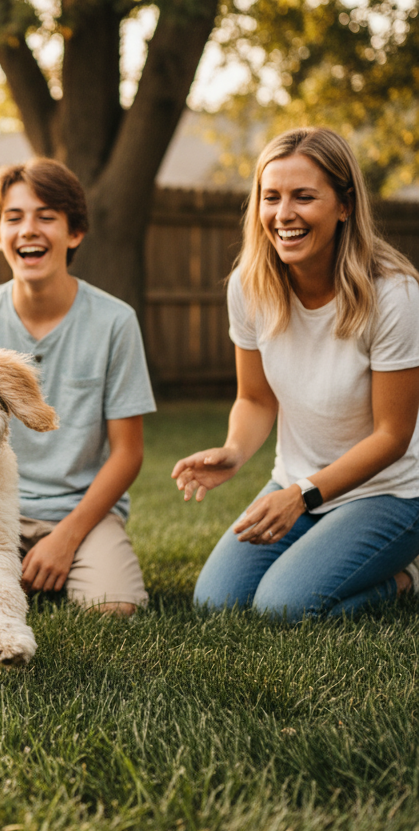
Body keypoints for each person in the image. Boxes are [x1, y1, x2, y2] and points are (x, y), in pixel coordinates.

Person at [173, 128, 419, 621]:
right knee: (216, 602)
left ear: (344, 205)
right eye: (272, 197)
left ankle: (408, 576)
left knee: (284, 607)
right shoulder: (249, 286)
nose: (284, 215)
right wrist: (235, 451)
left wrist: (302, 495)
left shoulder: (395, 295)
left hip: (391, 492)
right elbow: (256, 399)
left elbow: (393, 436)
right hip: (295, 486)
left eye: (304, 197)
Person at [0, 158, 156, 615]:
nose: (29, 230)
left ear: (74, 233)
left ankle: (57, 563)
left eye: (46, 217)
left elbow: (128, 452)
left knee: (113, 609)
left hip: (81, 512)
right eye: (13, 218)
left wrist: (66, 538)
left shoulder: (115, 322)